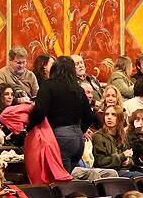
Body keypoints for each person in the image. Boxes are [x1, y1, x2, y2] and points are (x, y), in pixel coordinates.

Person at [25, 56, 94, 185]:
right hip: (78, 140)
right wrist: (80, 131)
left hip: (59, 137)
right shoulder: (78, 90)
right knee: (67, 176)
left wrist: (30, 127)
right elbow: (89, 116)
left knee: (61, 183)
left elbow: (39, 111)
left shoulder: (48, 86)